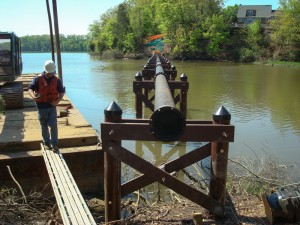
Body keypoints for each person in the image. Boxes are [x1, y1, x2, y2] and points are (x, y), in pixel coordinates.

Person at [28, 60, 65, 152]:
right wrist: (33, 96)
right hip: (41, 106)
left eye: (51, 73)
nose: (49, 74)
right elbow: (30, 88)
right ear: (45, 71)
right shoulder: (38, 79)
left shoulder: (57, 80)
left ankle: (55, 144)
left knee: (53, 125)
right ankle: (47, 143)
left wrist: (57, 101)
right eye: (48, 73)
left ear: (53, 71)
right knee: (44, 125)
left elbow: (61, 91)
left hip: (52, 106)